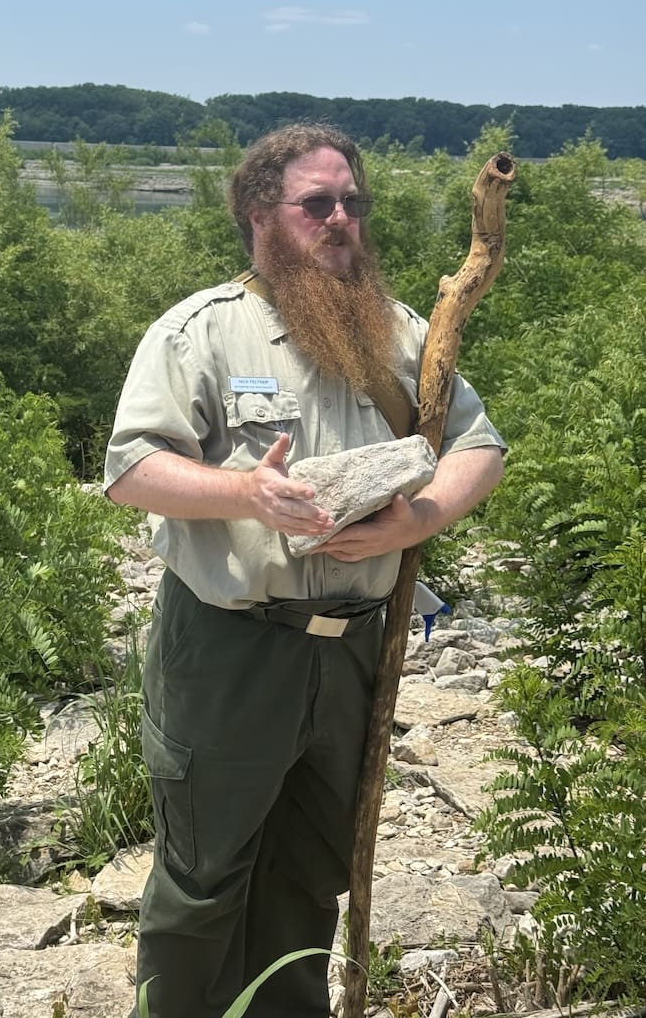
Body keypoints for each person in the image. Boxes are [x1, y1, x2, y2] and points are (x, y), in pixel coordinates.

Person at [104, 123, 505, 1018]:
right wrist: (248, 493)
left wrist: (422, 515)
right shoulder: (201, 334)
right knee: (204, 877)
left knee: (310, 872)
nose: (340, 220)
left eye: (352, 203)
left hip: (354, 654)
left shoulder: (404, 335)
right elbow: (131, 469)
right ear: (259, 216)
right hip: (232, 648)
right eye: (316, 204)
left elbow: (481, 446)